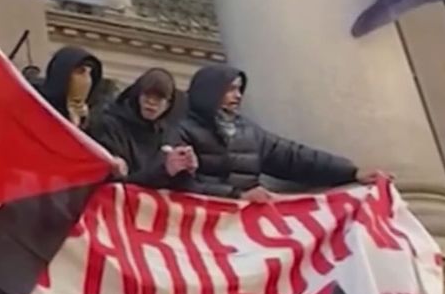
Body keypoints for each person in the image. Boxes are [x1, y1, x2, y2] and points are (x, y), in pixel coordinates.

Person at [176, 64, 382, 201]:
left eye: (239, 89)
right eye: (230, 89)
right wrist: (236, 195)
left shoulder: (249, 132)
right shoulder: (181, 131)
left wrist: (351, 172)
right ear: (210, 92)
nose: (238, 96)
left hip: (243, 227)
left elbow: (293, 157)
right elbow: (179, 185)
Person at [90, 67, 197, 188]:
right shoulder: (111, 126)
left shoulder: (171, 136)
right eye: (147, 95)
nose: (151, 102)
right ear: (138, 96)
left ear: (168, 104)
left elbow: (182, 187)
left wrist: (186, 171)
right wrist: (164, 170)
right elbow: (114, 182)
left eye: (159, 98)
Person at [39, 46, 102, 132]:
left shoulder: (96, 121)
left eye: (91, 74)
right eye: (80, 72)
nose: (87, 80)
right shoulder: (38, 108)